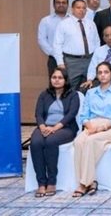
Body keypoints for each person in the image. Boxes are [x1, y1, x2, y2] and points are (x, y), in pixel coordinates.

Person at [72, 62, 111, 198]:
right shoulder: (90, 93)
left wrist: (102, 127)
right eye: (100, 72)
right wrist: (90, 127)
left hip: (110, 127)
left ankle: (84, 184)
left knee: (91, 141)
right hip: (91, 125)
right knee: (78, 142)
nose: (103, 75)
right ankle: (91, 181)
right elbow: (84, 115)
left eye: (106, 72)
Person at [31, 68, 79, 197]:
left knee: (51, 141)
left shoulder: (73, 95)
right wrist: (42, 127)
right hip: (45, 126)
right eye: (54, 77)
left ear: (65, 80)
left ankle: (52, 181)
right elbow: (38, 113)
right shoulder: (44, 95)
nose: (56, 80)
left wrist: (55, 128)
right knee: (36, 143)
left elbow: (71, 115)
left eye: (60, 78)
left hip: (65, 128)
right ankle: (41, 183)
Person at [53, 0, 101, 90]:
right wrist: (60, 63)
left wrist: (96, 58)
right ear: (72, 9)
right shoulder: (63, 24)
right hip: (72, 62)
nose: (81, 10)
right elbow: (57, 44)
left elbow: (97, 42)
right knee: (70, 88)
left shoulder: (91, 23)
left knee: (90, 87)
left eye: (84, 8)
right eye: (78, 7)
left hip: (90, 60)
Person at [81, 26, 111, 90]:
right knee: (85, 88)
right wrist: (89, 79)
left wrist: (108, 82)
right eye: (107, 35)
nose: (110, 38)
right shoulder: (98, 50)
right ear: (103, 38)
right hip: (99, 80)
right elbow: (92, 67)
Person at [38, 0, 71, 75]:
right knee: (55, 83)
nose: (61, 4)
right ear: (53, 5)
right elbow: (41, 40)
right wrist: (55, 53)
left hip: (71, 59)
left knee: (71, 84)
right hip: (54, 58)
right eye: (58, 2)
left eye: (64, 2)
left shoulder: (73, 20)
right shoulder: (46, 21)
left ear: (67, 5)